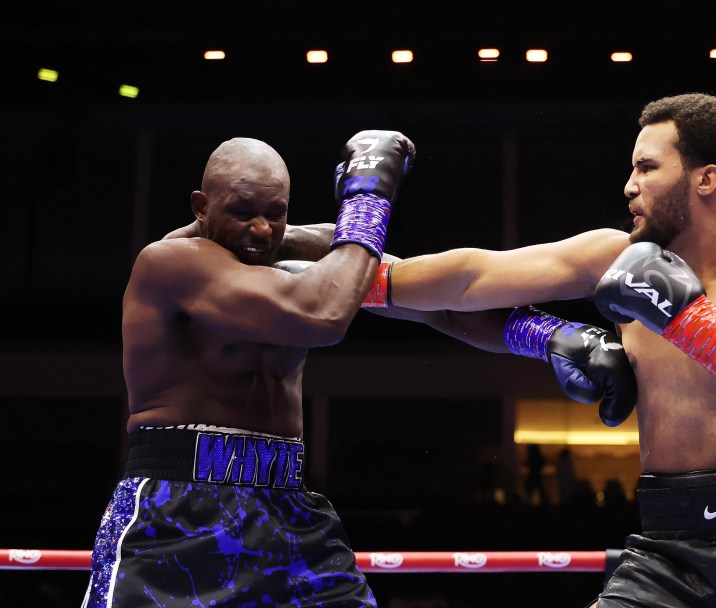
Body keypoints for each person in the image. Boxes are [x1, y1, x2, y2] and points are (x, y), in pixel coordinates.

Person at [363, 93, 716, 607]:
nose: (629, 185)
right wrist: (345, 266)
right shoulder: (616, 256)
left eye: (647, 167)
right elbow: (471, 280)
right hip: (669, 548)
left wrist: (688, 319)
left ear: (706, 178)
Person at [83, 132, 636, 608]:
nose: (260, 229)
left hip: (287, 508)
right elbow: (321, 315)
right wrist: (368, 196)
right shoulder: (168, 264)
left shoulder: (313, 254)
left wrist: (551, 336)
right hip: (176, 507)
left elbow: (437, 302)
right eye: (242, 211)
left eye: (275, 213)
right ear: (201, 206)